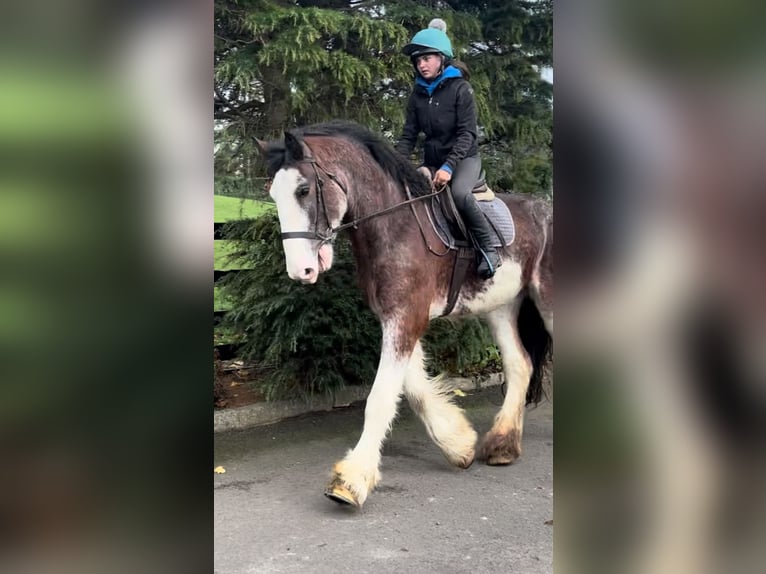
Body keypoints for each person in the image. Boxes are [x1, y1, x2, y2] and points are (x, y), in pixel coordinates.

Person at [396, 18, 502, 279]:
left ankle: (488, 249)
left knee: (459, 195)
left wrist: (448, 166)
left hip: (464, 159)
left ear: (442, 58)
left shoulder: (461, 89)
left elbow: (468, 133)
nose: (422, 64)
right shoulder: (418, 95)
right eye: (418, 60)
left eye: (427, 58)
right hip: (432, 161)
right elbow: (408, 135)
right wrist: (395, 165)